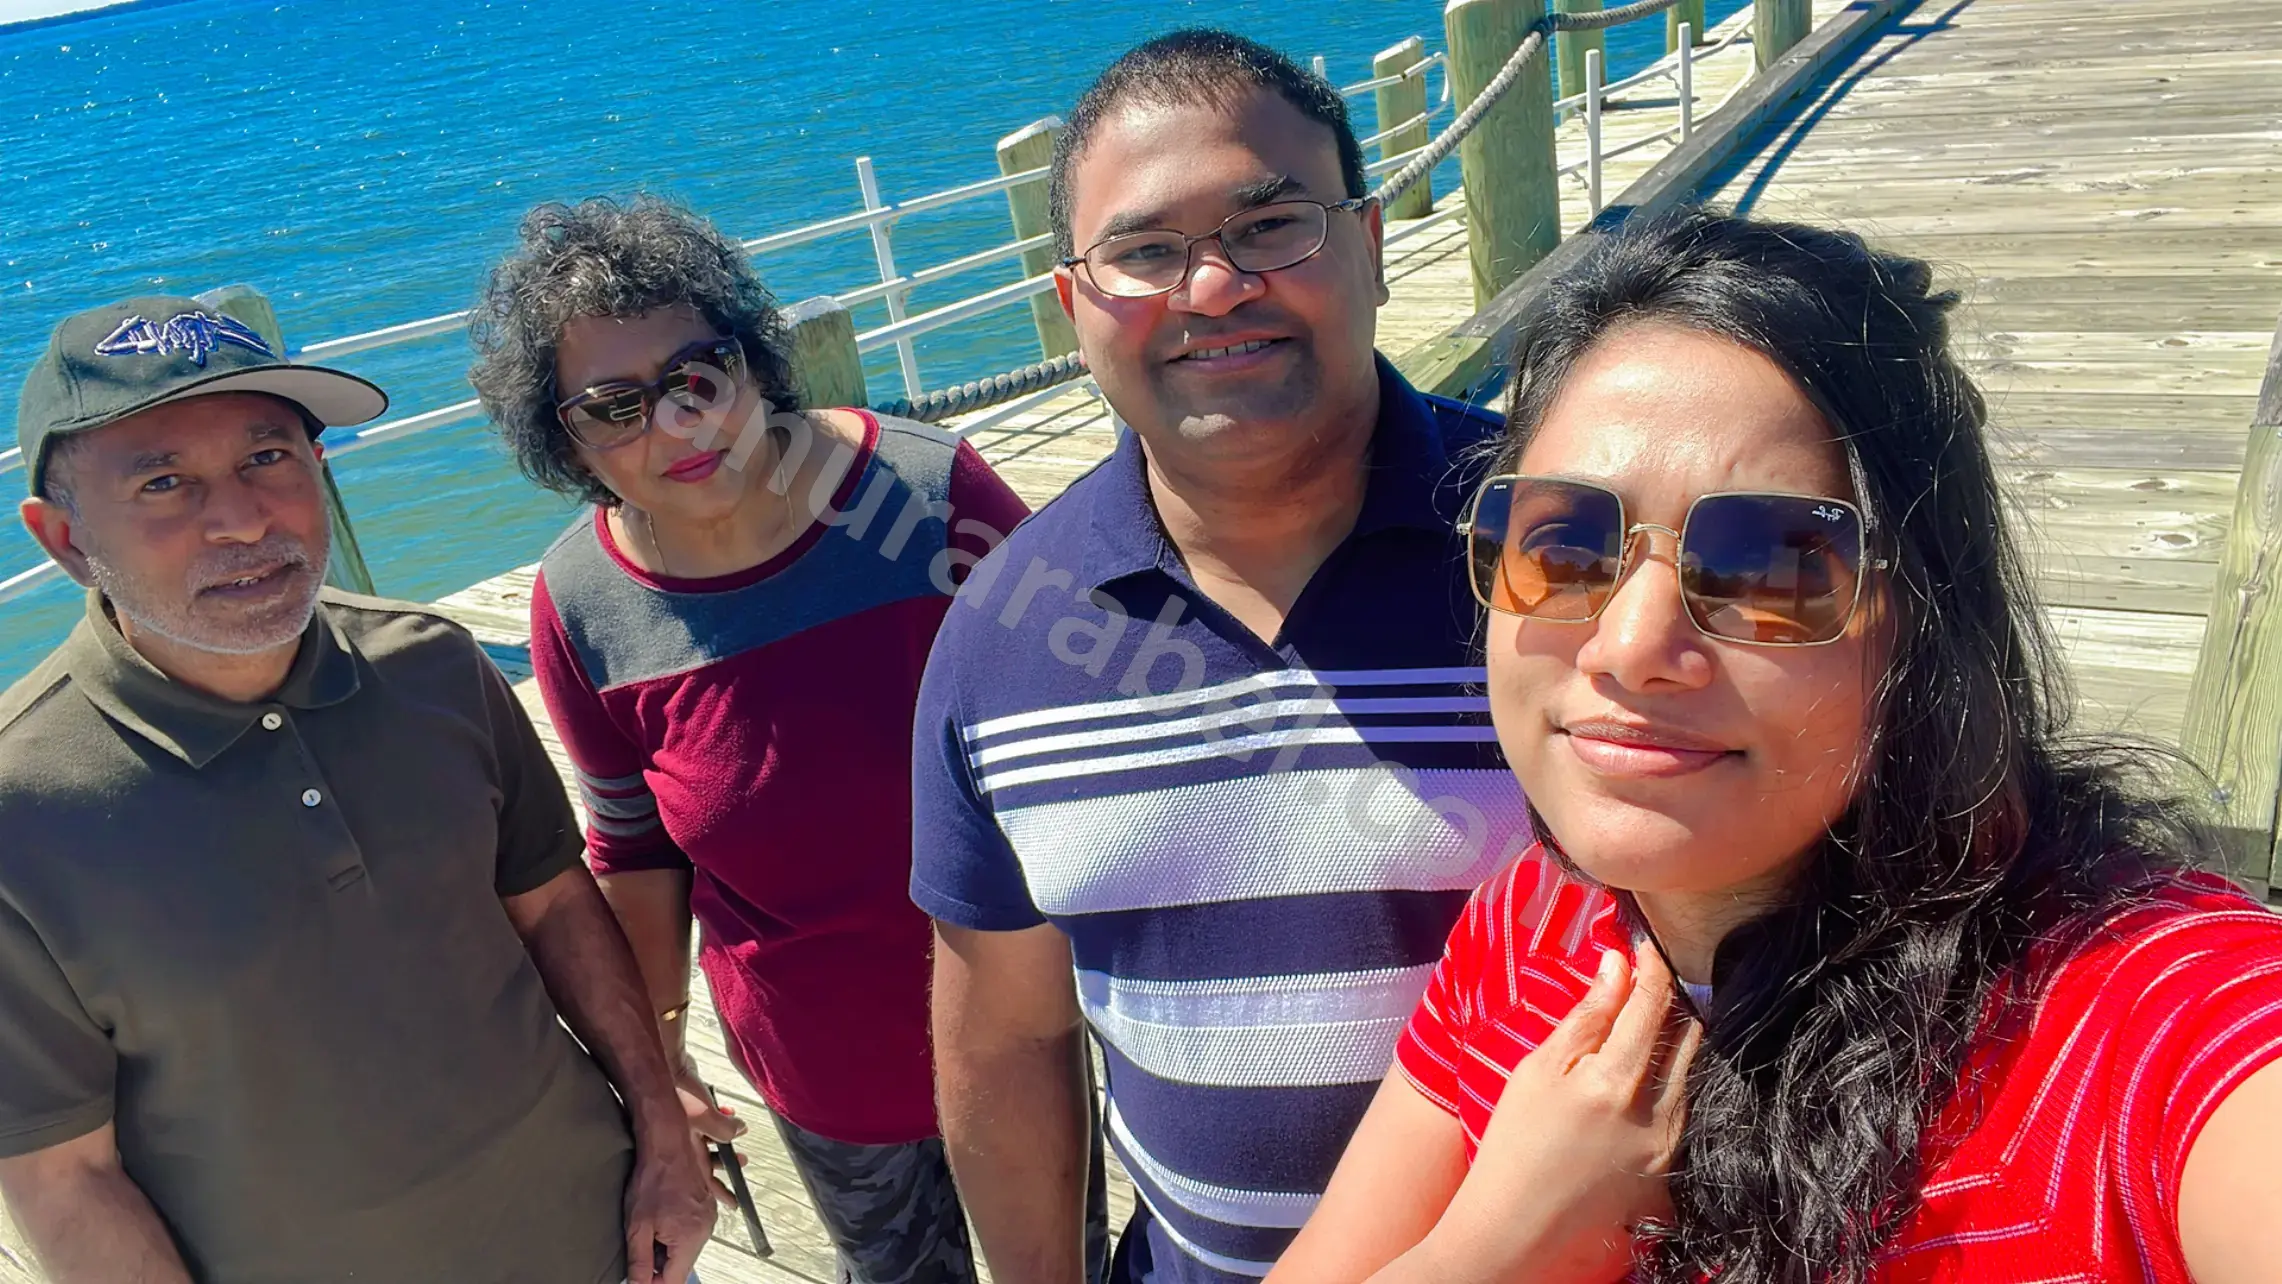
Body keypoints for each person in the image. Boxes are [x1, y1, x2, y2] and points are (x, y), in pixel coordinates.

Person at [1271, 208, 2282, 1284]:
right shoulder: (1531, 927)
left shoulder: (2139, 1031)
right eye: (1563, 543)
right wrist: (1499, 1244)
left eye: (1768, 566)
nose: (1628, 646)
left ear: (1918, 617)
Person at [910, 30, 1533, 1284]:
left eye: (1270, 227)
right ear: (1068, 304)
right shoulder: (999, 631)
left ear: (1366, 243)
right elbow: (1008, 1039)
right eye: (1143, 253)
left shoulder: (1561, 542)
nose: (1212, 289)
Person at [0, 296, 714, 1284]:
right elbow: (63, 1172)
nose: (244, 519)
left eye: (268, 459)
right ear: (66, 539)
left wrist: (662, 1130)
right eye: (165, 482)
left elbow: (552, 903)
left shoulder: (431, 665)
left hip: (601, 1236)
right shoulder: (23, 810)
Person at [469, 195, 1035, 1284]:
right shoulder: (579, 601)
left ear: (755, 362)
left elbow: (1085, 731)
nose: (673, 426)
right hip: (820, 1063)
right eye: (612, 408)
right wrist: (660, 1064)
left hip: (1021, 1024)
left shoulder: (929, 497)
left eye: (696, 376)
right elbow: (634, 850)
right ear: (565, 441)